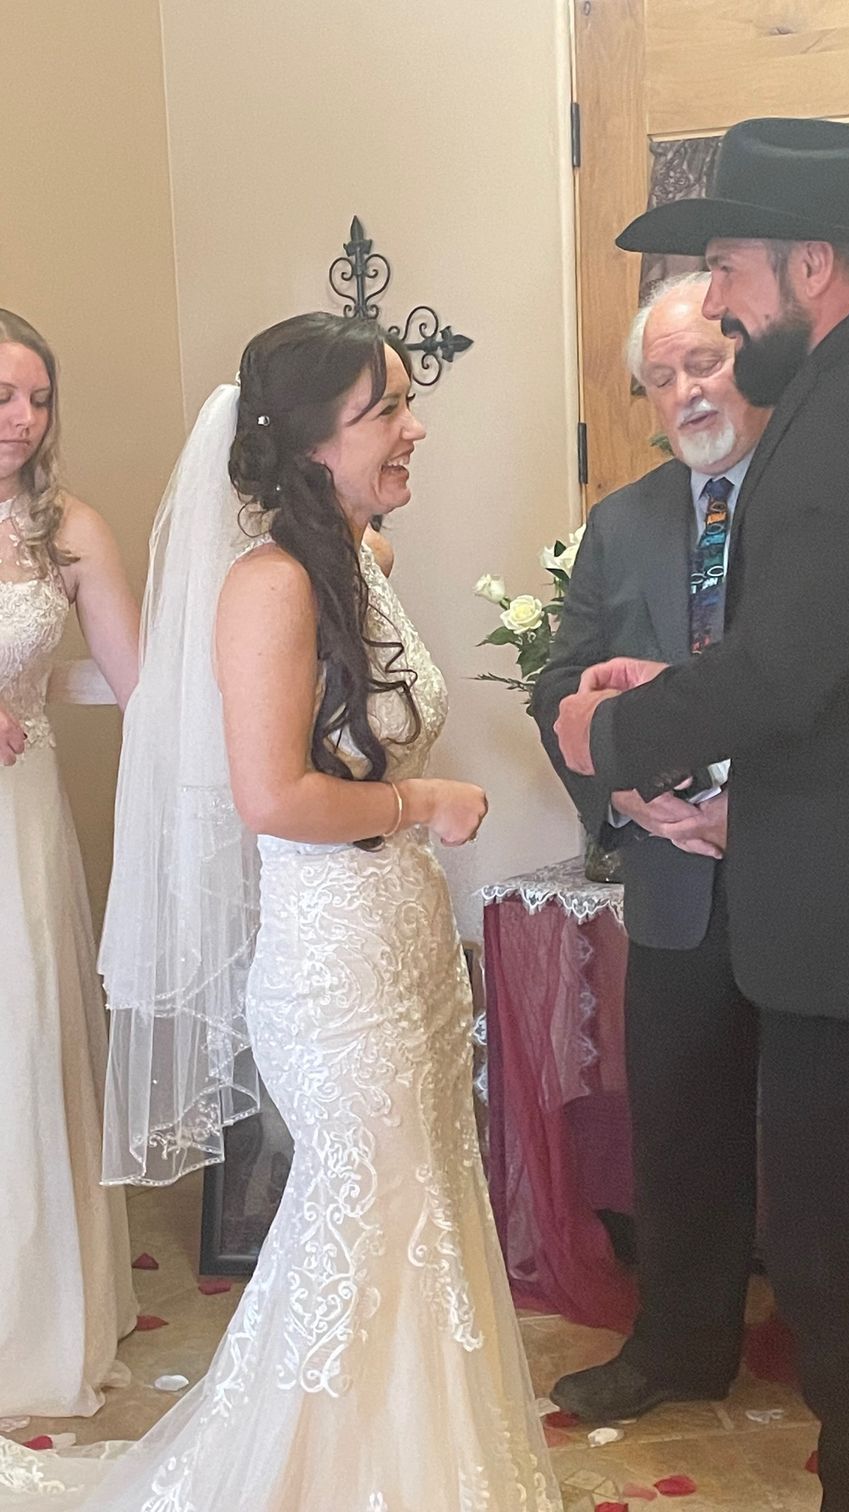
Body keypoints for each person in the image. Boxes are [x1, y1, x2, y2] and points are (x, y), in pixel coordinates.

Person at [0, 312, 561, 1511]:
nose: (415, 430)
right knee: (367, 1224)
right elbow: (272, 796)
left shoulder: (366, 562)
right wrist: (424, 801)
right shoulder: (266, 587)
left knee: (428, 1209)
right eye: (388, 413)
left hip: (404, 942)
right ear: (313, 443)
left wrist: (412, 829)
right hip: (333, 968)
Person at [553, 118, 849, 1512]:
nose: (712, 301)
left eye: (725, 269)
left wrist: (614, 727)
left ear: (809, 262)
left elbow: (786, 673)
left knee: (848, 1281)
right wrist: (681, 691)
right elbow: (830, 667)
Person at [532, 272, 770, 1419]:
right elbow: (556, 690)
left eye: (704, 364)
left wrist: (756, 809)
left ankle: (845, 1362)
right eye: (662, 378)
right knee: (677, 1128)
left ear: (751, 356)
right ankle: (677, 1351)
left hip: (800, 871)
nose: (686, 393)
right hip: (673, 879)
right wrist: (623, 805)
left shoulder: (810, 499)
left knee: (824, 1140)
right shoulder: (620, 524)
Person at [0, 309, 139, 1419]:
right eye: (4, 395)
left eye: (39, 398)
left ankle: (40, 1312)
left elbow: (136, 681)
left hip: (21, 817)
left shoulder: (68, 529)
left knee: (28, 1030)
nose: (23, 419)